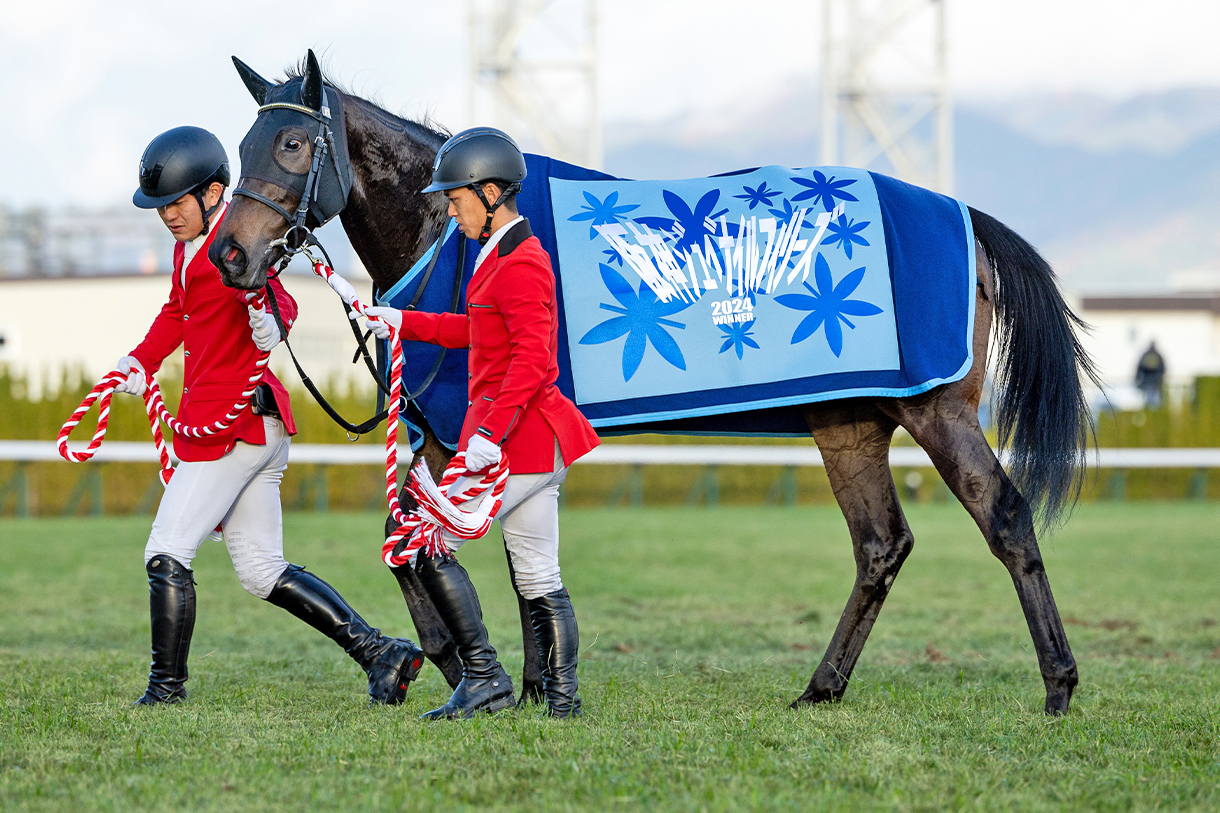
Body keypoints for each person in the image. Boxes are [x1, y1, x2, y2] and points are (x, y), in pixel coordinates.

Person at [115, 126, 424, 706]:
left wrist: (273, 324)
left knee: (166, 549)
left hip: (237, 427)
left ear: (212, 194)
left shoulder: (237, 237)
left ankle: (165, 691)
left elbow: (276, 294)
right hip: (247, 428)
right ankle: (382, 653)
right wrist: (138, 363)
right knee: (261, 570)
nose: (167, 217)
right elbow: (177, 314)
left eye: (176, 203)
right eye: (160, 208)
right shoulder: (188, 249)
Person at [361, 127, 600, 719]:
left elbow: (531, 361)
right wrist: (402, 321)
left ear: (491, 192)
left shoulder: (522, 262)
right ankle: (562, 704)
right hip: (528, 443)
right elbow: (476, 333)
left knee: (419, 538)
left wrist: (489, 435)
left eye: (456, 197)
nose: (450, 208)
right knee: (539, 572)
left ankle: (485, 678)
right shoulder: (499, 257)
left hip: (516, 441)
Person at [1134, 341, 1166, 409]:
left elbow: (1139, 368)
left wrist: (1137, 379)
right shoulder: (1157, 355)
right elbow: (1162, 369)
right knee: (1152, 401)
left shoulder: (1146, 355)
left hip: (1150, 383)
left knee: (1151, 401)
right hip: (1153, 383)